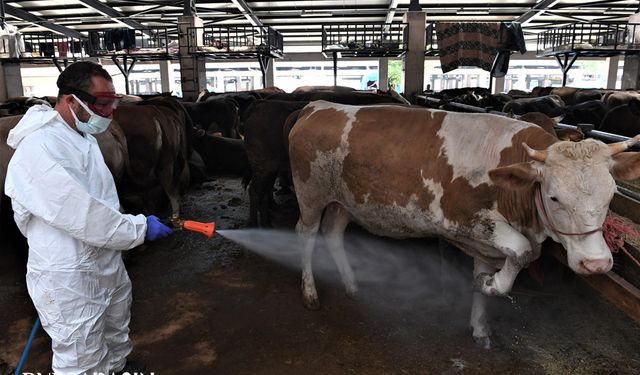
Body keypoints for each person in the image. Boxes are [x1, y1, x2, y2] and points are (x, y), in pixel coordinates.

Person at [4, 61, 173, 375]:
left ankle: (117, 367)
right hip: (68, 271)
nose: (110, 112)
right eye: (103, 104)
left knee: (114, 327)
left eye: (113, 103)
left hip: (101, 258)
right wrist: (138, 228)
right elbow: (84, 214)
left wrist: (125, 229)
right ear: (71, 100)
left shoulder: (82, 138)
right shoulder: (41, 149)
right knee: (81, 350)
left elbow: (101, 202)